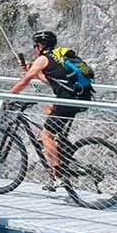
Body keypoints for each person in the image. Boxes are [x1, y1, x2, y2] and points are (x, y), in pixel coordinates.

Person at [8, 30, 92, 190]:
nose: (34, 48)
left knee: (45, 135)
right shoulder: (59, 57)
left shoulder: (43, 59)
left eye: (35, 46)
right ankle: (61, 149)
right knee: (49, 110)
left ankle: (58, 176)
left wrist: (6, 97)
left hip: (67, 101)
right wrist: (35, 72)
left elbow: (24, 81)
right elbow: (52, 81)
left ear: (40, 46)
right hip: (80, 98)